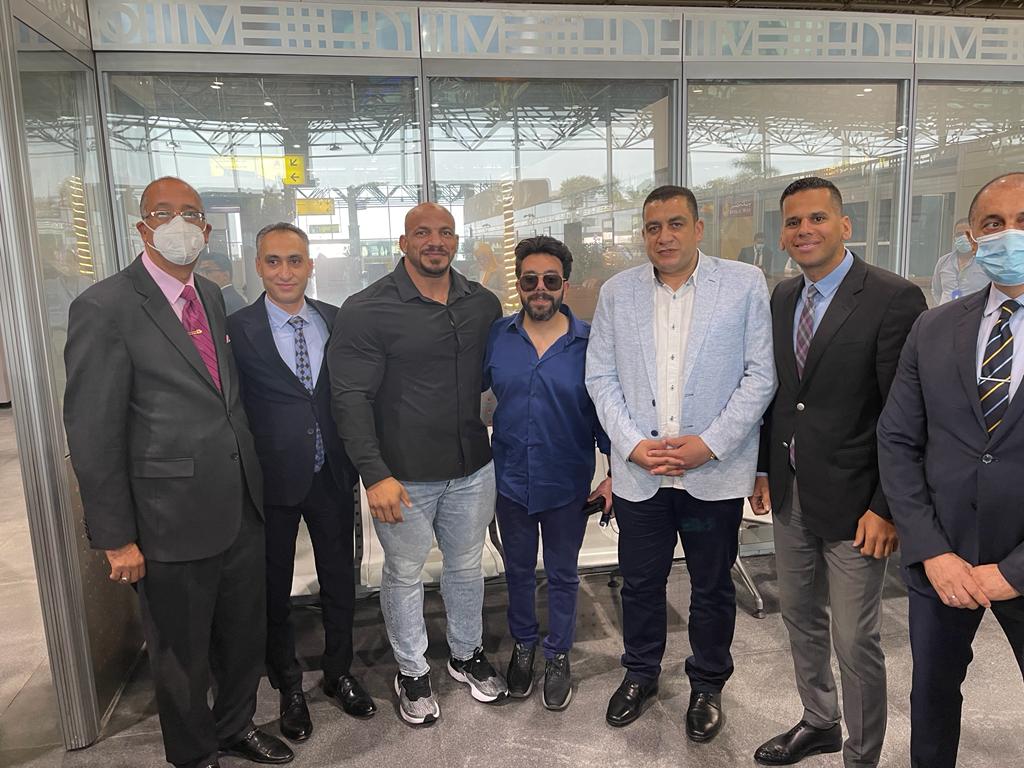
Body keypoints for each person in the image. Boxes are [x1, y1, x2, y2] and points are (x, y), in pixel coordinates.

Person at [63, 177, 292, 768]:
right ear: (143, 227)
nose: (179, 223)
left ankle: (235, 726)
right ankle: (194, 755)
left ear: (207, 230)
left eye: (190, 213)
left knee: (242, 634)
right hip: (168, 518)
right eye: (164, 213)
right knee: (181, 650)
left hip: (239, 503)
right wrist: (116, 538)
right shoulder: (105, 307)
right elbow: (93, 432)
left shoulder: (211, 295)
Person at [586, 185, 776, 741]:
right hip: (641, 474)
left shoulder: (743, 283)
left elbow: (760, 375)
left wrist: (709, 444)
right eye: (653, 227)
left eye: (675, 224)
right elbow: (600, 376)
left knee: (712, 586)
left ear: (698, 228)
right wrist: (631, 445)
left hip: (711, 474)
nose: (664, 236)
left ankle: (708, 683)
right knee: (640, 583)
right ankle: (640, 673)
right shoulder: (617, 293)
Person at [748, 177, 927, 767]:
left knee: (855, 638)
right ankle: (819, 720)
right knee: (799, 616)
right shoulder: (782, 297)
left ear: (845, 226)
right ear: (783, 235)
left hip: (858, 504)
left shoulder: (893, 298)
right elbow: (782, 397)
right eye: (793, 222)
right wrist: (764, 468)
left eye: (817, 218)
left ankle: (862, 754)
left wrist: (886, 506)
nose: (805, 230)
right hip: (792, 492)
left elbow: (906, 412)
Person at [328, 202, 505, 726]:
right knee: (404, 574)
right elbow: (349, 397)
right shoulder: (367, 309)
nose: (435, 241)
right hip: (401, 477)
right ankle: (412, 671)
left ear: (456, 241)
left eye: (445, 232)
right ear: (402, 243)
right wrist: (374, 473)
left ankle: (466, 654)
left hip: (472, 468)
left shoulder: (482, 303)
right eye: (422, 232)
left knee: (467, 567)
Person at [878, 172, 1024, 768]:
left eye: (1023, 222)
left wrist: (1015, 570)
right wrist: (931, 549)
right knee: (933, 700)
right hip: (943, 558)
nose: (1009, 235)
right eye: (994, 223)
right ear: (972, 235)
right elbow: (897, 438)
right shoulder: (935, 326)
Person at [226, 223, 376, 745]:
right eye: (273, 261)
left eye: (295, 260)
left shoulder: (337, 320)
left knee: (340, 581)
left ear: (310, 265)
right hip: (270, 480)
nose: (285, 271)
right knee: (273, 590)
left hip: (331, 473)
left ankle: (339, 672)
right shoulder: (236, 329)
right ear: (258, 266)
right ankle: (288, 686)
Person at [483, 235, 612, 711]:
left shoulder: (591, 342)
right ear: (518, 284)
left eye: (550, 280)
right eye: (530, 279)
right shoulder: (498, 336)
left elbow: (606, 412)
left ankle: (557, 654)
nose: (540, 288)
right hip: (511, 481)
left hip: (566, 482)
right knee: (517, 570)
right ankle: (524, 644)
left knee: (562, 573)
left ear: (565, 286)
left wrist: (615, 474)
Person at [930, 218, 989, 306]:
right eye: (959, 234)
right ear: (954, 238)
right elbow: (936, 291)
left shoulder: (985, 262)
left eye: (967, 233)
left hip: (973, 312)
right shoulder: (943, 262)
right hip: (946, 312)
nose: (963, 237)